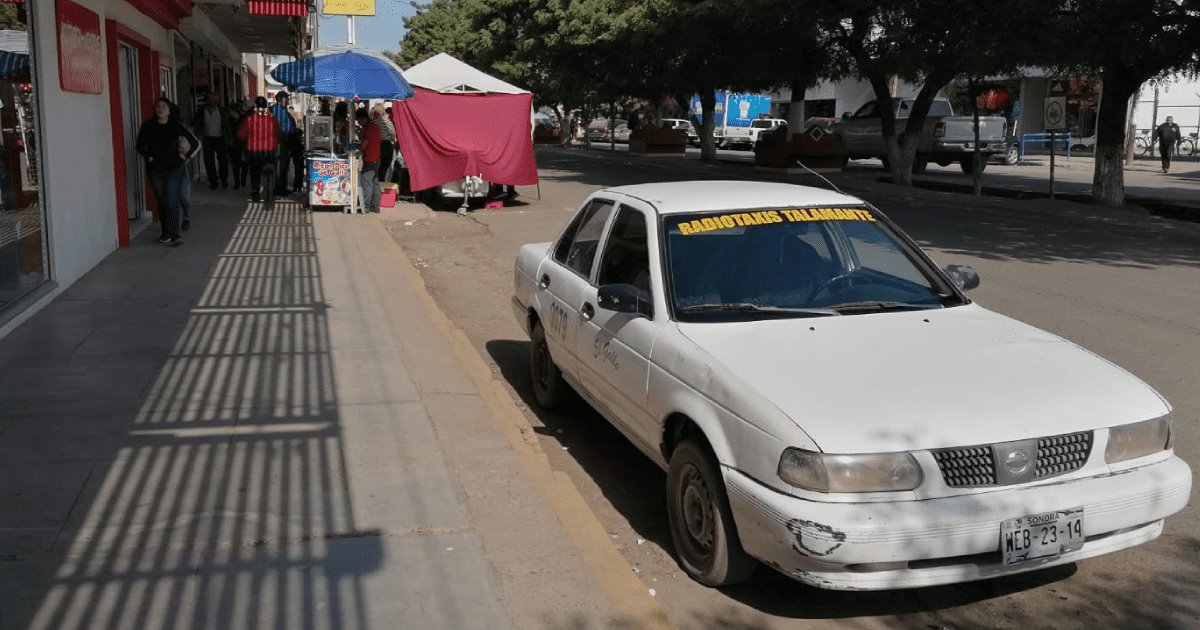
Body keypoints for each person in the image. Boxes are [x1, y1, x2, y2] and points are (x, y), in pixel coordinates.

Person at [135, 97, 198, 246]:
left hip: (175, 167)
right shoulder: (147, 127)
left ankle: (175, 234)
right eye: (158, 106)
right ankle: (165, 232)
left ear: (169, 110)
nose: (160, 108)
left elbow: (194, 143)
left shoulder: (176, 126)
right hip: (155, 169)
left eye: (164, 106)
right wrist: (148, 155)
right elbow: (139, 146)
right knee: (162, 200)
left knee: (172, 199)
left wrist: (186, 156)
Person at [237, 96, 282, 206]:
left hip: (254, 152)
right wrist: (274, 144)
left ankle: (255, 194)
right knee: (269, 174)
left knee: (255, 173)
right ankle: (268, 197)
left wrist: (247, 141)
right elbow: (278, 134)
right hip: (269, 151)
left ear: (255, 107)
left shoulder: (249, 119)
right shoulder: (272, 119)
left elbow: (240, 135)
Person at [195, 92, 229, 189]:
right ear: (207, 100)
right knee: (209, 161)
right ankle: (213, 182)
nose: (212, 101)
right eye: (210, 99)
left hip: (220, 138)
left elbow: (226, 125)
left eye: (214, 99)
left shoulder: (221, 111)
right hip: (207, 138)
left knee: (223, 161)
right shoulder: (201, 111)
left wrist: (228, 137)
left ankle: (224, 180)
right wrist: (199, 135)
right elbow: (198, 124)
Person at [356, 107, 382, 214]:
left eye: (358, 121)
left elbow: (364, 144)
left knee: (367, 183)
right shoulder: (375, 126)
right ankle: (375, 206)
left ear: (362, 119)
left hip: (370, 159)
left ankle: (365, 207)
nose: (359, 123)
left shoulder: (368, 128)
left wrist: (357, 149)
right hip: (376, 158)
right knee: (375, 183)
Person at [271, 91, 296, 195]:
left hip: (286, 140)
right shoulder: (276, 110)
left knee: (285, 165)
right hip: (280, 140)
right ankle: (278, 188)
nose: (288, 100)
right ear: (281, 99)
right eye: (286, 98)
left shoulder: (284, 109)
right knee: (280, 165)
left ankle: (283, 187)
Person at [228, 99, 252, 189]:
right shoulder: (229, 121)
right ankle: (237, 183)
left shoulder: (243, 119)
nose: (232, 113)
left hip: (243, 144)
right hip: (234, 144)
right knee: (235, 165)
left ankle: (243, 180)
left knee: (244, 164)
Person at [371, 104, 396, 183]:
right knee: (383, 169)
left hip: (376, 146)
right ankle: (380, 187)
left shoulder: (372, 122)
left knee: (374, 169)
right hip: (387, 146)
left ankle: (374, 186)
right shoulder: (388, 123)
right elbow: (393, 137)